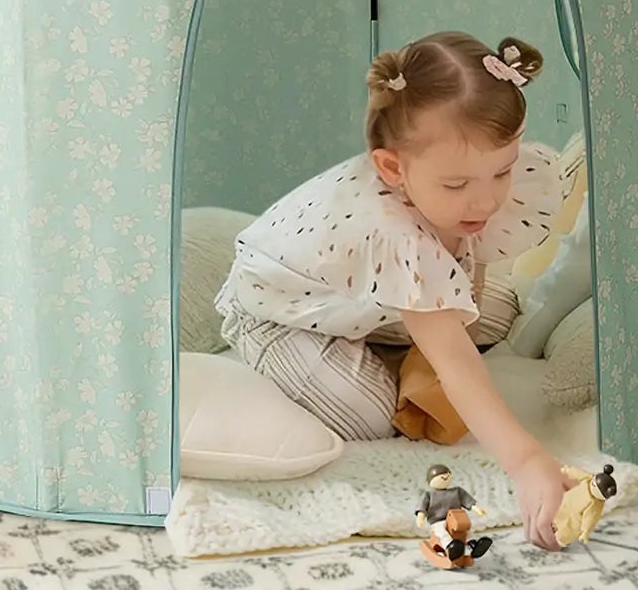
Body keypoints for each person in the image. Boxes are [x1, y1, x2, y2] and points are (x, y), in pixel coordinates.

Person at [215, 31, 571, 549]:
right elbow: (457, 366)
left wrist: (454, 328)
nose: (486, 201)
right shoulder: (392, 232)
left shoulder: (460, 191)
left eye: (502, 171)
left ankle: (389, 337)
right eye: (457, 185)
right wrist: (527, 460)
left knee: (492, 314)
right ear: (392, 168)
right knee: (370, 415)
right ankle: (275, 353)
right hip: (278, 315)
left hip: (364, 300)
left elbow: (464, 269)